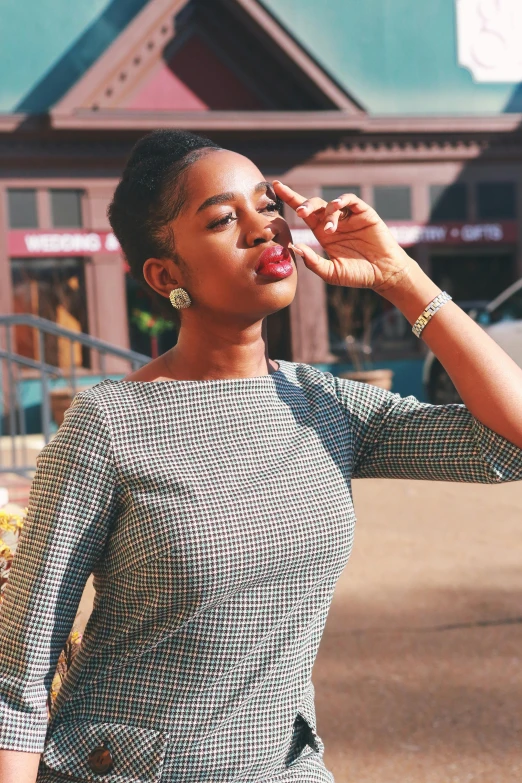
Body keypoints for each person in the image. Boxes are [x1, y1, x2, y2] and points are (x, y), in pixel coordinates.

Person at [0, 130, 521, 783]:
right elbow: (18, 671)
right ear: (166, 275)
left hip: (284, 766)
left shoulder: (325, 404)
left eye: (267, 204)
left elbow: (510, 442)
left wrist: (403, 279)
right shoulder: (109, 424)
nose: (262, 229)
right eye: (223, 219)